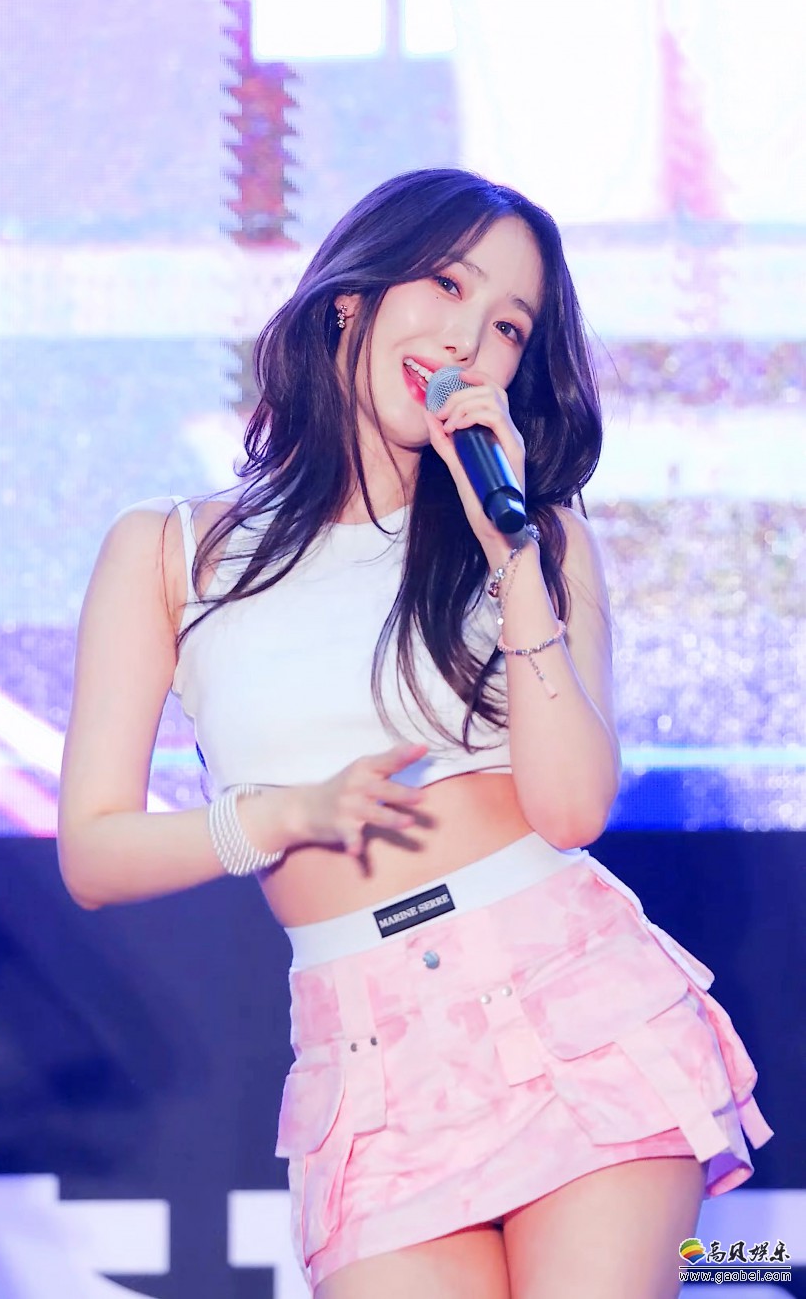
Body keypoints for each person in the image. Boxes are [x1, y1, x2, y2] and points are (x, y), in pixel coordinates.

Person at [58, 168, 771, 1299]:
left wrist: (512, 553)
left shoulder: (538, 539)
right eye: (446, 285)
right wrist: (287, 816)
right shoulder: (169, 551)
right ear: (352, 296)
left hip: (571, 1002)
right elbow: (94, 853)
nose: (467, 340)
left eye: (508, 326)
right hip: (368, 1055)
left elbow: (573, 808)